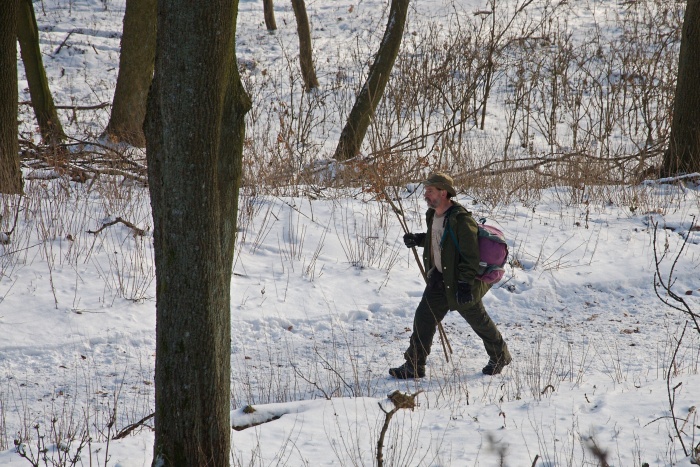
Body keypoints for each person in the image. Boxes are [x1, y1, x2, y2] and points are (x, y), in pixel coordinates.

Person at [389, 172, 512, 378]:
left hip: (461, 283)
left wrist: (464, 284)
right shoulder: (433, 215)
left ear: (443, 192)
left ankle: (500, 356)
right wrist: (419, 239)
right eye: (425, 191)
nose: (425, 195)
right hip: (439, 279)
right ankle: (414, 366)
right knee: (423, 319)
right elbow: (439, 240)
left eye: (430, 191)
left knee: (479, 322)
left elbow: (470, 255)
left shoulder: (461, 220)